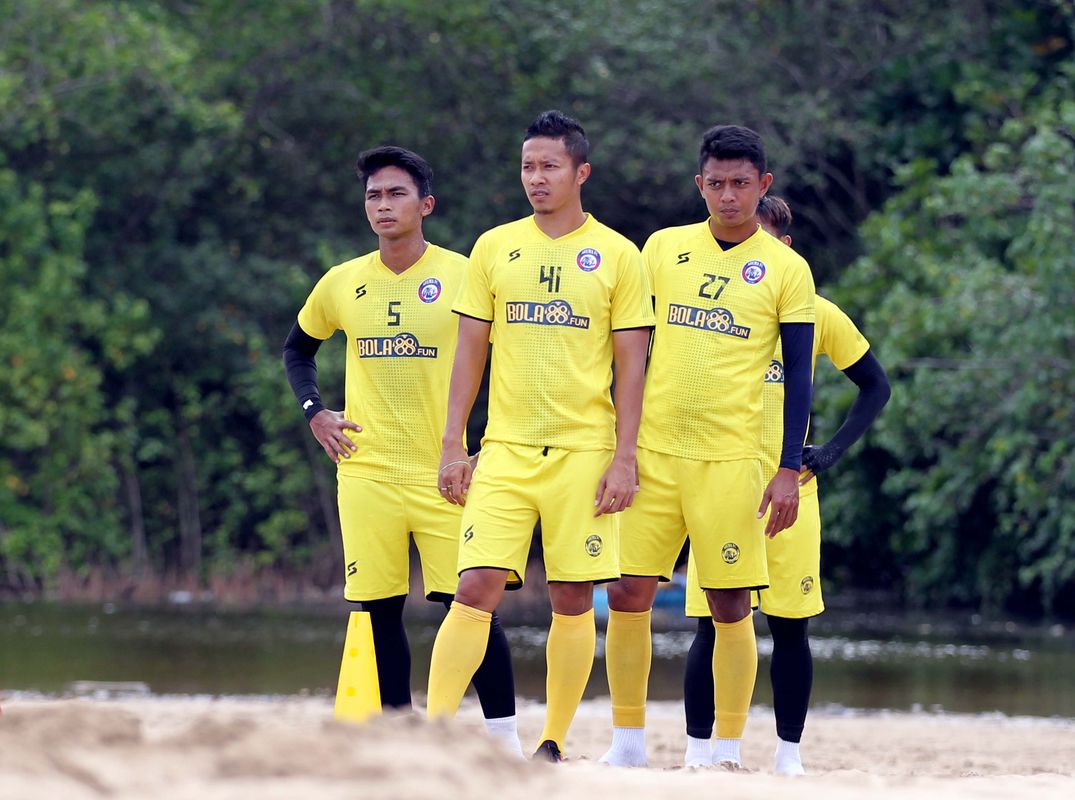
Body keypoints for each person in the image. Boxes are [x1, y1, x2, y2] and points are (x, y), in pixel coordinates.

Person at [424, 110, 654, 762]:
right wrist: (452, 442)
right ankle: (431, 733)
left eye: (550, 166)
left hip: (585, 451)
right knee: (474, 586)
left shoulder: (618, 254)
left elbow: (632, 363)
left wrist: (625, 458)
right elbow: (470, 350)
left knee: (573, 593)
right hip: (505, 448)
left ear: (581, 171)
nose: (537, 178)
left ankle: (552, 741)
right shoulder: (495, 247)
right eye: (528, 166)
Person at [281, 146, 520, 753]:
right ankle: (400, 740)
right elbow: (297, 350)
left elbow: (516, 358)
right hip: (366, 473)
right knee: (379, 610)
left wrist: (490, 445)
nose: (383, 206)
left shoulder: (467, 274)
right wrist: (316, 413)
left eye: (396, 195)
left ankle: (504, 745)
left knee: (469, 606)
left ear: (426, 205)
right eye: (373, 196)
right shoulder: (343, 281)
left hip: (447, 473)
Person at [600, 126, 817, 769]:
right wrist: (621, 447)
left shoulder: (786, 269)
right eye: (716, 183)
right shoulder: (663, 249)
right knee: (627, 592)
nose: (728, 195)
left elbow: (801, 375)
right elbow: (629, 348)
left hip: (732, 460)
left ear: (763, 186)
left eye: (741, 184)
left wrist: (788, 465)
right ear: (700, 185)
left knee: (729, 604)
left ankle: (720, 750)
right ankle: (627, 743)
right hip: (654, 454)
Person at [681, 195, 892, 774]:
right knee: (713, 623)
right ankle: (702, 751)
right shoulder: (708, 303)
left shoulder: (817, 312)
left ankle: (788, 755)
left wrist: (827, 453)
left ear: (786, 248)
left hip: (790, 489)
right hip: (719, 480)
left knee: (790, 627)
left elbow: (876, 385)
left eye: (764, 243)